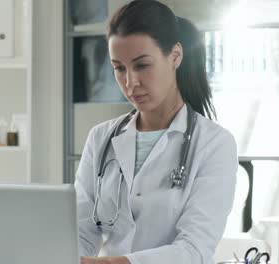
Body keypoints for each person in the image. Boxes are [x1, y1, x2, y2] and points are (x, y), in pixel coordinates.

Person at [74, 1, 238, 263]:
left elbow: (194, 250)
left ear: (175, 56)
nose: (130, 83)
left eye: (142, 66)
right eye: (119, 68)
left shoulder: (214, 144)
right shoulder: (100, 139)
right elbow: (81, 235)